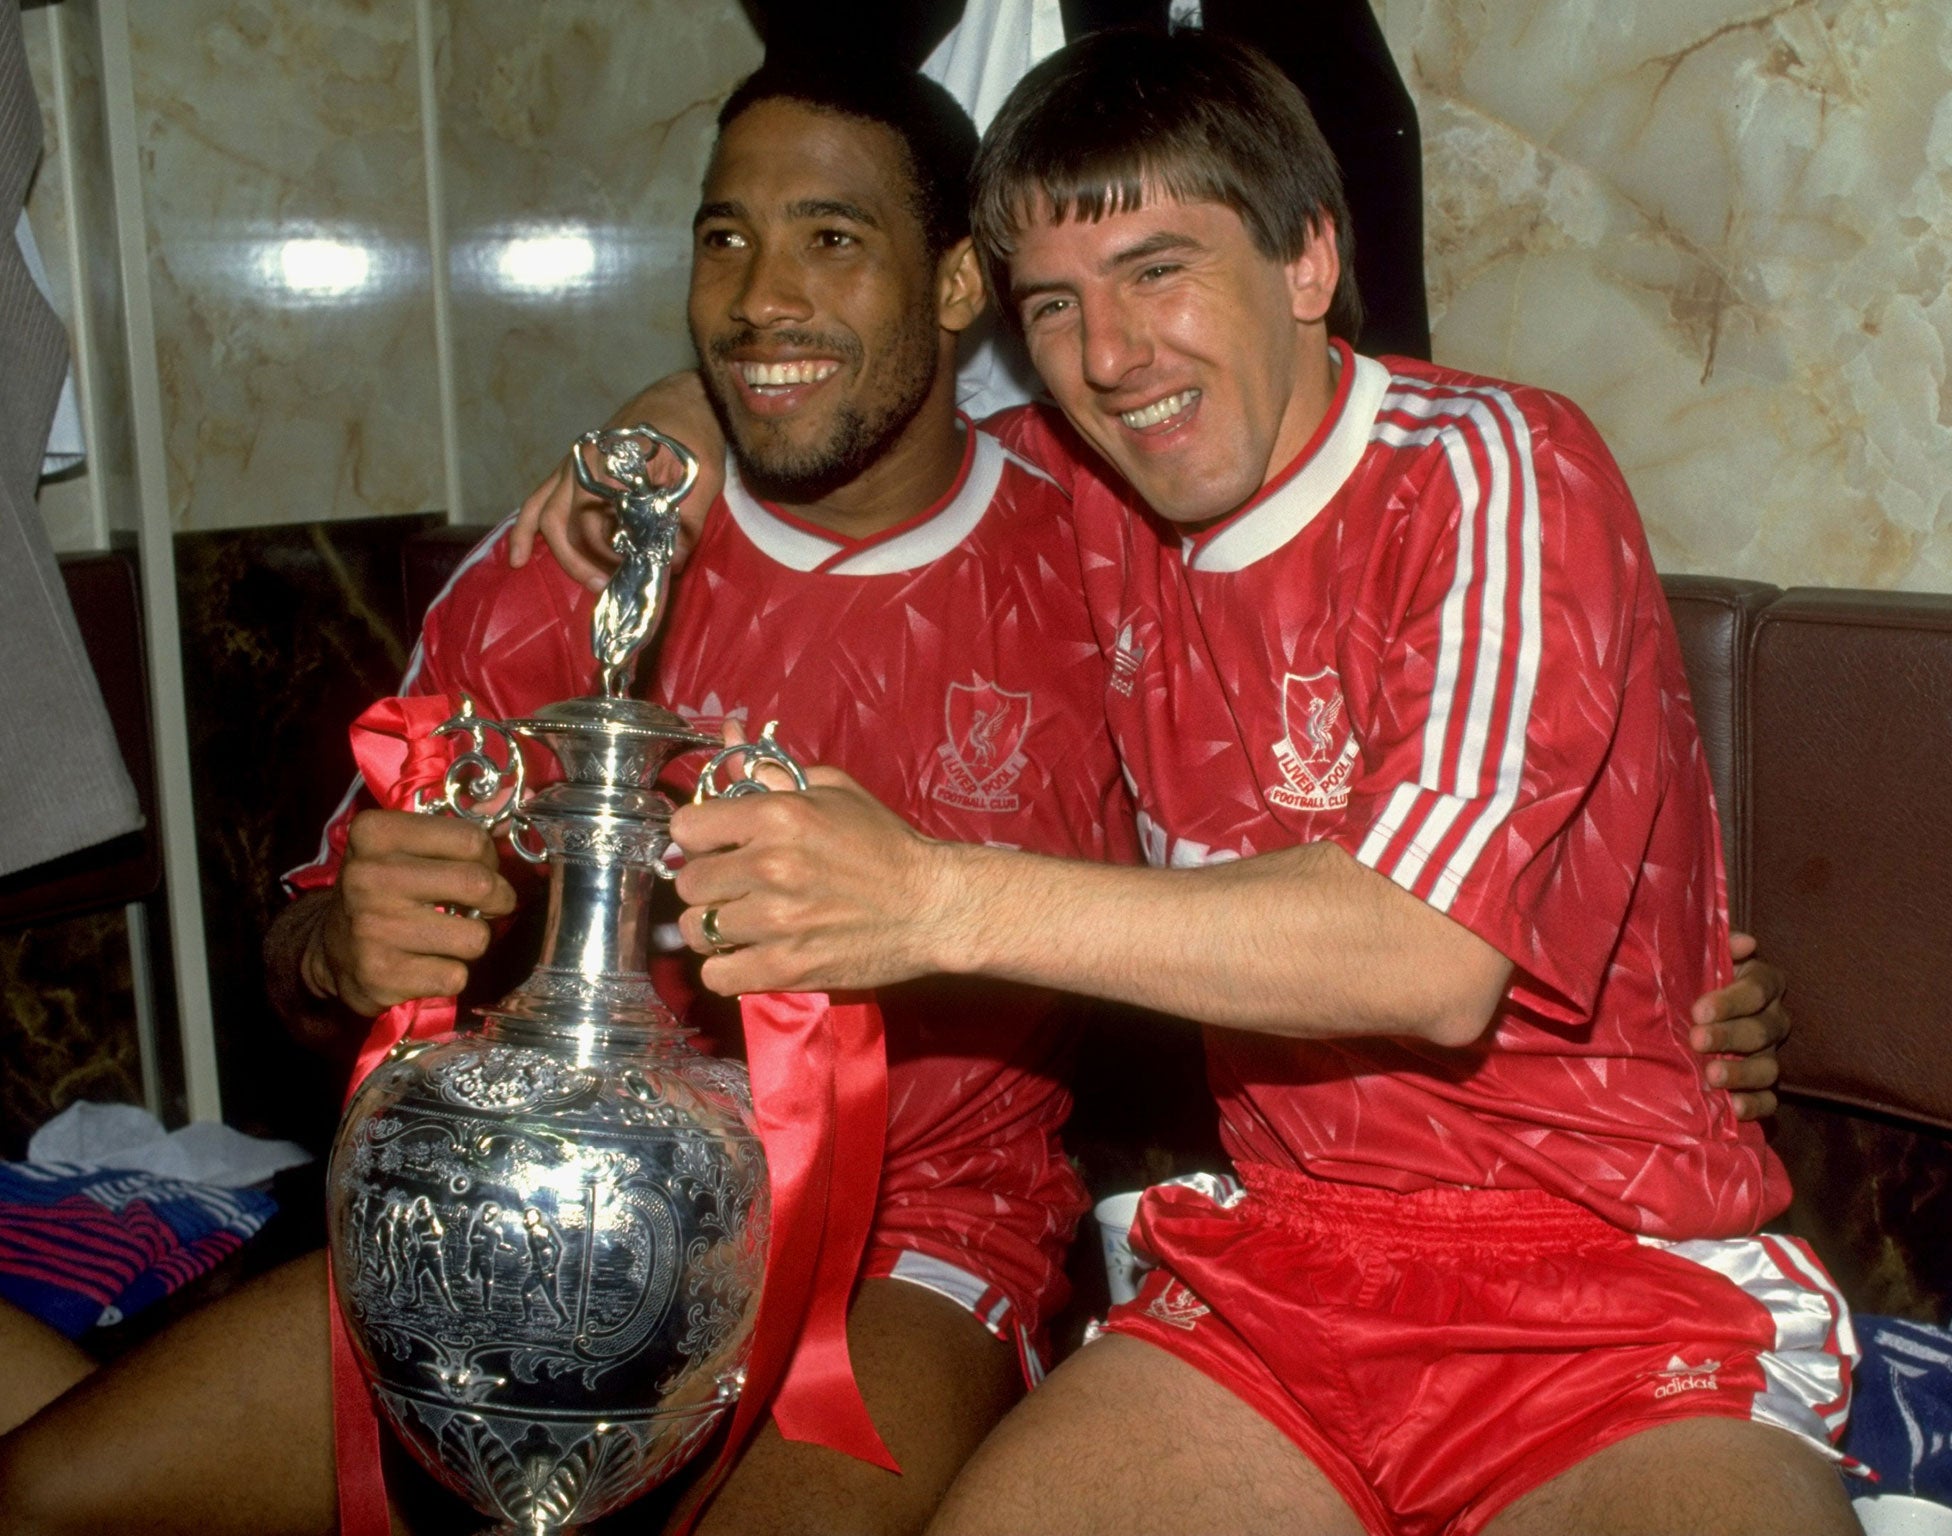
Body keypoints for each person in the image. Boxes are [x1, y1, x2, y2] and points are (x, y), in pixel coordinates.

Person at [0, 48, 1789, 1536]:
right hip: (604, 1209)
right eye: (728, 247)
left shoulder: (1219, 504)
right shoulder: (633, 549)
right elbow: (320, 928)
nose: (767, 299)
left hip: (1028, 1235)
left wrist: (917, 891)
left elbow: (1431, 926)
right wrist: (346, 935)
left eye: (831, 244)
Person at [597, 29, 1858, 1536]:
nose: (1108, 356)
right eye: (1053, 305)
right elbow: (866, 424)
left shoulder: (1492, 462)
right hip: (1291, 1279)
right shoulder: (1091, 491)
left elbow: (1431, 956)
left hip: (1607, 1281)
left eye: (1159, 270)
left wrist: (928, 897)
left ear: (1310, 258)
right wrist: (679, 412)